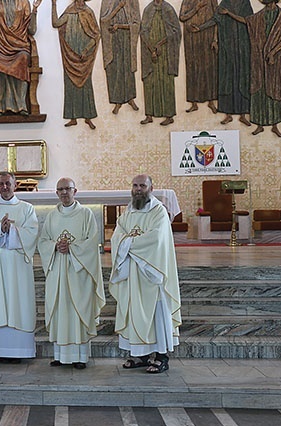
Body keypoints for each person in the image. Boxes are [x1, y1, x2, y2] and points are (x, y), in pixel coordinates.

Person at [108, 175, 181, 373]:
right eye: (135, 185)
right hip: (133, 272)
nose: (138, 189)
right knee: (135, 312)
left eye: (142, 185)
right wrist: (127, 244)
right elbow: (117, 237)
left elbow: (156, 239)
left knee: (157, 314)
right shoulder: (127, 213)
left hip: (152, 273)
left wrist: (128, 244)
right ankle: (139, 355)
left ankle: (161, 357)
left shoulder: (159, 212)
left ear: (151, 188)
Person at [37, 177, 105, 369]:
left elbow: (92, 243)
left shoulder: (86, 214)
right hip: (57, 271)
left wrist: (73, 248)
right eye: (60, 189)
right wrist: (55, 246)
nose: (64, 192)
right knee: (60, 310)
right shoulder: (52, 216)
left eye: (68, 189)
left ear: (75, 191)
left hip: (79, 273)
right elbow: (42, 241)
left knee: (77, 311)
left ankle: (80, 357)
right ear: (56, 193)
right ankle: (60, 355)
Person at [0, 172, 39, 363]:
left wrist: (11, 230)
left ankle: (20, 351)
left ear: (15, 185)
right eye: (1, 184)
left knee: (17, 301)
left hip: (18, 266)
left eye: (8, 184)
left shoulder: (27, 209)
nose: (4, 187)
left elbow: (32, 233)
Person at [51, 0, 100, 129]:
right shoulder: (69, 11)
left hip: (83, 56)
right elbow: (56, 23)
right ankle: (72, 117)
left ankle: (88, 117)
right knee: (70, 84)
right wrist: (54, 4)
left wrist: (86, 49)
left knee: (86, 84)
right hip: (70, 55)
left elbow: (96, 35)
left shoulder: (88, 12)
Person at [246, 0, 281, 137]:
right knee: (258, 88)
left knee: (273, 89)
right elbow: (247, 21)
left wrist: (273, 52)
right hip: (258, 59)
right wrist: (229, 14)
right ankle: (259, 124)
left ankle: (275, 124)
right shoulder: (259, 15)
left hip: (273, 60)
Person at [139, 0, 181, 126]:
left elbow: (176, 31)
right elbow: (143, 31)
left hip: (166, 54)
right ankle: (149, 114)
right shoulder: (148, 9)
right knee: (150, 81)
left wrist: (160, 44)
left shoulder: (168, 9)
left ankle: (169, 115)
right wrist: (151, 49)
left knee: (166, 82)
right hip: (150, 52)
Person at [212, 0, 253, 126]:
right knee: (227, 77)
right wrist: (215, 40)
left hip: (242, 46)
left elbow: (247, 21)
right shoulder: (225, 2)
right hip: (227, 46)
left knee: (242, 76)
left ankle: (243, 114)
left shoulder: (245, 3)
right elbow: (216, 21)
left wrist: (229, 13)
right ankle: (228, 114)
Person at [99, 0, 140, 115]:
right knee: (115, 69)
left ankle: (130, 98)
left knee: (127, 68)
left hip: (127, 39)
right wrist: (118, 7)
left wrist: (120, 26)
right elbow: (103, 21)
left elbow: (137, 24)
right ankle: (117, 101)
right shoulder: (107, 2)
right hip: (113, 40)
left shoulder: (132, 2)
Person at [179, 0, 218, 114]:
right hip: (191, 38)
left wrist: (215, 38)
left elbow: (217, 19)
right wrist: (196, 8)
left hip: (208, 37)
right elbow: (182, 17)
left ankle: (211, 101)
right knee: (193, 68)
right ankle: (194, 102)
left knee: (209, 68)